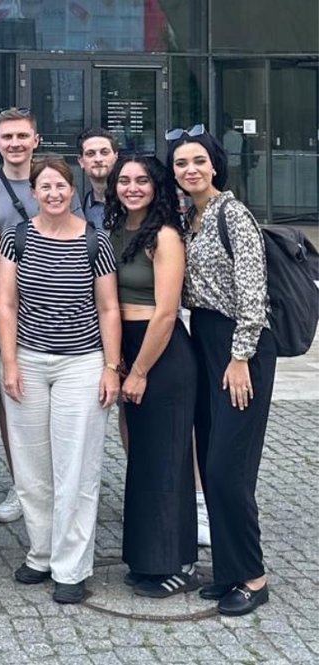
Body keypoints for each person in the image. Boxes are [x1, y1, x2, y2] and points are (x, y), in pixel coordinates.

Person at [0, 154, 120, 605]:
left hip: (81, 363)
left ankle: (72, 566)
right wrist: (8, 362)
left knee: (76, 468)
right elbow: (6, 305)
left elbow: (108, 307)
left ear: (72, 190)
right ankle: (41, 552)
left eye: (60, 187)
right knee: (32, 469)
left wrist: (112, 366)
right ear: (34, 193)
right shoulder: (16, 238)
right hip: (28, 360)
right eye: (44, 187)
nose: (52, 194)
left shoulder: (95, 240)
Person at [167, 126, 275, 616]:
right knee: (211, 456)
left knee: (227, 469)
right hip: (205, 339)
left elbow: (253, 295)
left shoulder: (234, 215)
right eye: (180, 164)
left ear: (214, 165)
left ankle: (254, 577)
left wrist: (239, 357)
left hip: (240, 347)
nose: (189, 170)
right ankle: (229, 571)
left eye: (197, 162)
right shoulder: (191, 216)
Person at [103, 156, 200, 598]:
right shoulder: (114, 232)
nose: (132, 187)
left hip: (160, 355)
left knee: (167, 461)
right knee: (143, 460)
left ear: (157, 186)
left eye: (142, 180)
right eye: (124, 180)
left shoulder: (164, 236)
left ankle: (175, 563)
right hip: (125, 348)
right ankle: (146, 559)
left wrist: (139, 369)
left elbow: (166, 312)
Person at [0, 108, 82, 525]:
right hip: (5, 309)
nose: (15, 143)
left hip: (63, 317)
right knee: (15, 399)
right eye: (7, 137)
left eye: (22, 135)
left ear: (36, 139)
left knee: (64, 406)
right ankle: (19, 484)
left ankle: (61, 485)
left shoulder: (55, 182)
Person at [77, 128, 119, 228]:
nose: (98, 159)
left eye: (104, 152)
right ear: (81, 161)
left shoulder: (131, 200)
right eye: (90, 154)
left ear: (116, 157)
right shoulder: (80, 209)